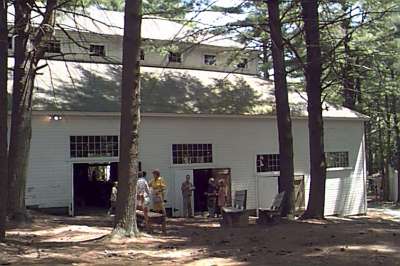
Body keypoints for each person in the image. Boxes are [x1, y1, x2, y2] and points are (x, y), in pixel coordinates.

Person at [149, 169, 167, 233]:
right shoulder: (152, 180)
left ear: (157, 174)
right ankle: (157, 224)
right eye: (153, 174)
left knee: (162, 209)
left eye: (154, 174)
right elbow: (148, 185)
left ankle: (164, 222)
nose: (153, 175)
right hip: (154, 196)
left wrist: (159, 191)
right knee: (156, 210)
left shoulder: (161, 179)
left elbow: (164, 188)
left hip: (159, 196)